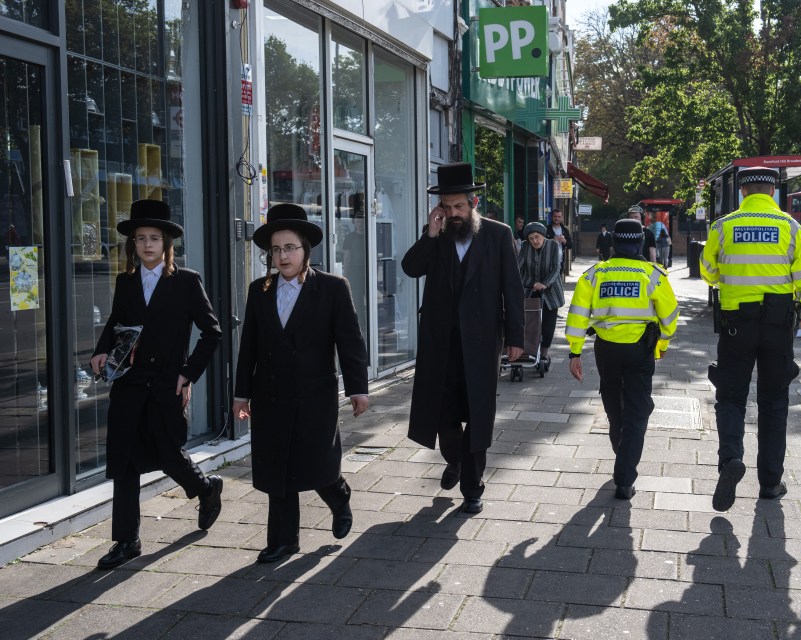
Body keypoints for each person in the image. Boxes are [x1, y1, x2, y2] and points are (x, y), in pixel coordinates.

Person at [90, 199, 223, 570]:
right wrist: (101, 352)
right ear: (132, 244)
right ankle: (126, 540)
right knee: (125, 462)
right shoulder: (125, 282)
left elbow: (212, 334)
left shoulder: (185, 281)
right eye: (140, 239)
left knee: (169, 454)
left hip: (167, 385)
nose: (147, 245)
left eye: (154, 238)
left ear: (167, 244)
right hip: (130, 385)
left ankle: (207, 489)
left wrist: (187, 373)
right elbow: (117, 323)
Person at [233, 203, 369, 564]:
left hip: (315, 393)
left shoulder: (332, 288)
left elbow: (350, 342)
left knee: (318, 462)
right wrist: (241, 393)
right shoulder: (259, 290)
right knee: (277, 467)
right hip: (271, 393)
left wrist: (358, 388)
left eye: (289, 247)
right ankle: (283, 540)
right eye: (275, 249)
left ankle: (338, 497)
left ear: (305, 249)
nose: (282, 256)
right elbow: (249, 346)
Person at [401, 162, 524, 514]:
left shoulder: (498, 235)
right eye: (447, 207)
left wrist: (516, 337)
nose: (453, 213)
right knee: (443, 416)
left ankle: (472, 485)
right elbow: (411, 268)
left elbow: (512, 290)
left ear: (473, 204)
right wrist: (430, 233)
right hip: (440, 344)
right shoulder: (436, 237)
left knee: (478, 414)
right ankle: (454, 460)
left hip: (483, 343)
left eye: (459, 207)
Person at [699, 166, 801, 512]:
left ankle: (730, 461)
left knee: (730, 397)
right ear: (772, 193)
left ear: (742, 192)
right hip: (778, 326)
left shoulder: (723, 227)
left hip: (736, 324)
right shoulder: (791, 228)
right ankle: (770, 483)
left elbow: (708, 272)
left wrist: (730, 270)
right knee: (773, 402)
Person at [566, 218, 678, 499]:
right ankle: (625, 478)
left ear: (613, 243)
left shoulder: (595, 274)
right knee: (638, 412)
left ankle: (620, 442)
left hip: (606, 350)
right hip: (640, 350)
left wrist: (575, 351)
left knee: (614, 405)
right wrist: (661, 344)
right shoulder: (654, 275)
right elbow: (670, 316)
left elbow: (578, 314)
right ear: (640, 242)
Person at [518, 222, 564, 362]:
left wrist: (545, 284)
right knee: (529, 322)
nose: (534, 241)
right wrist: (523, 282)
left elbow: (556, 268)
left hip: (550, 292)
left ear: (543, 236)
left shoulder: (553, 245)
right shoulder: (525, 247)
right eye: (531, 238)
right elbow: (518, 267)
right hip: (530, 289)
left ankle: (544, 354)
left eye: (537, 237)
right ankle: (528, 350)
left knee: (548, 325)